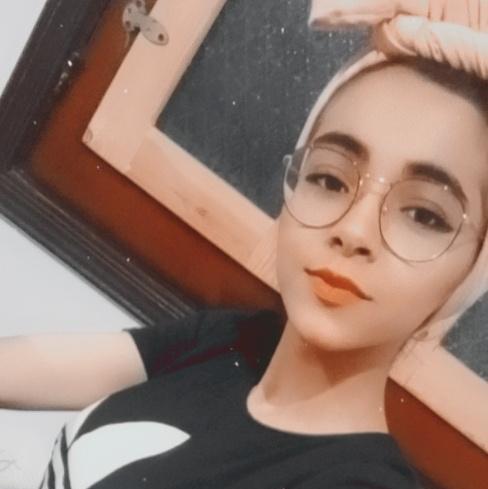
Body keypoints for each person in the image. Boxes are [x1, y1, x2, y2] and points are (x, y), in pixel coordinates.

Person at [3, 1, 488, 488]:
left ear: (469, 272)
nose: (355, 231)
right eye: (330, 179)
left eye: (424, 215)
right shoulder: (233, 342)